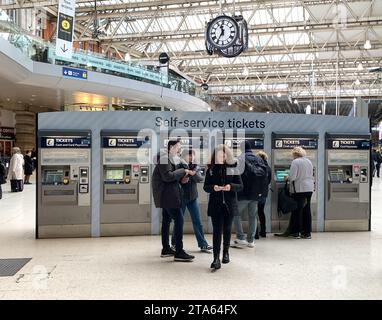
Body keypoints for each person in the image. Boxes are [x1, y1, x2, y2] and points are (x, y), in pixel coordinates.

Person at [152, 139, 195, 262]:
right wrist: (183, 171)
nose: (179, 150)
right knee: (179, 220)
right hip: (168, 196)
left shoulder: (169, 159)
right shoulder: (165, 159)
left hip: (167, 194)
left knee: (166, 221)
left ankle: (166, 249)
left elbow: (170, 177)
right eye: (178, 147)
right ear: (171, 147)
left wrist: (182, 180)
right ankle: (179, 252)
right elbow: (168, 176)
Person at [204, 144, 243, 270]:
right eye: (219, 154)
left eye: (224, 154)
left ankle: (226, 253)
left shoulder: (233, 168)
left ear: (227, 155)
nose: (222, 156)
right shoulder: (211, 169)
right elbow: (206, 187)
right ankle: (216, 258)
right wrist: (213, 188)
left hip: (229, 204)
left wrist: (230, 186)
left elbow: (240, 186)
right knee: (217, 231)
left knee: (227, 229)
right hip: (216, 204)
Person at [171, 148, 213, 253]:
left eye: (193, 155)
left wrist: (192, 174)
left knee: (197, 221)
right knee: (179, 222)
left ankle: (203, 244)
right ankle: (174, 244)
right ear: (184, 156)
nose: (191, 157)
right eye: (189, 155)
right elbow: (173, 179)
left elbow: (200, 179)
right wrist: (181, 180)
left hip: (193, 197)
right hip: (181, 197)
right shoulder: (179, 166)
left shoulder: (196, 167)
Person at [232, 141, 268, 248]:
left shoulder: (239, 159)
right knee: (253, 216)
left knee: (236, 213)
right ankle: (251, 240)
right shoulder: (259, 159)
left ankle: (240, 237)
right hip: (256, 193)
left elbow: (235, 175)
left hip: (243, 193)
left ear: (241, 148)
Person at [285, 146, 314, 239]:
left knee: (297, 210)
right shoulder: (309, 161)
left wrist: (287, 178)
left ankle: (296, 232)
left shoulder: (295, 162)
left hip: (300, 189)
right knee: (307, 210)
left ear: (295, 154)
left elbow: (293, 177)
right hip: (309, 188)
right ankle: (307, 233)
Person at [255, 151, 272, 239]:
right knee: (261, 211)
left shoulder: (257, 167)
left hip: (256, 192)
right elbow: (269, 181)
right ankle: (263, 232)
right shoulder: (268, 168)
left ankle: (255, 233)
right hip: (264, 193)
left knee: (254, 212)